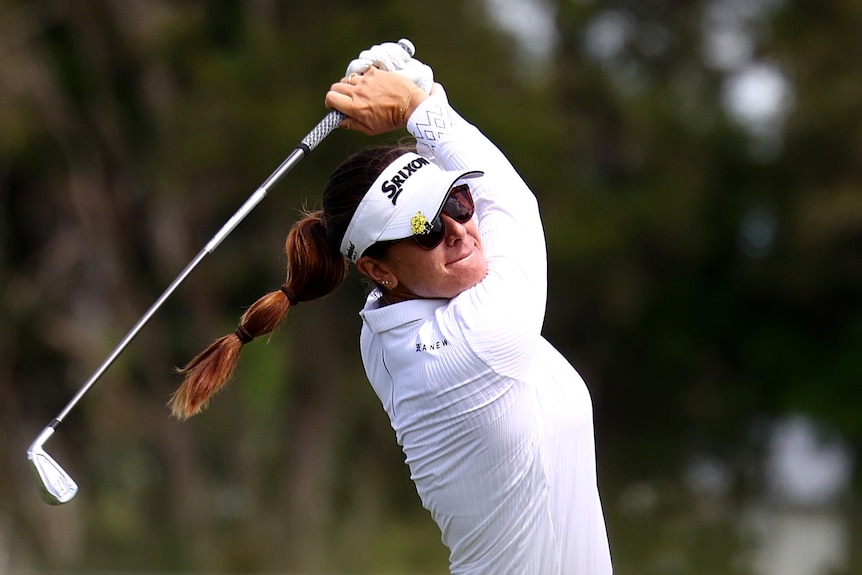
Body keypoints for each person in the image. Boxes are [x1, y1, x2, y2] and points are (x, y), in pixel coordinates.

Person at [169, 42, 613, 574]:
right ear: (378, 269)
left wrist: (417, 93)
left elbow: (486, 192)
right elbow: (514, 204)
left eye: (455, 199)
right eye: (425, 228)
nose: (458, 230)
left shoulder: (390, 324)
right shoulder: (472, 342)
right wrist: (420, 107)